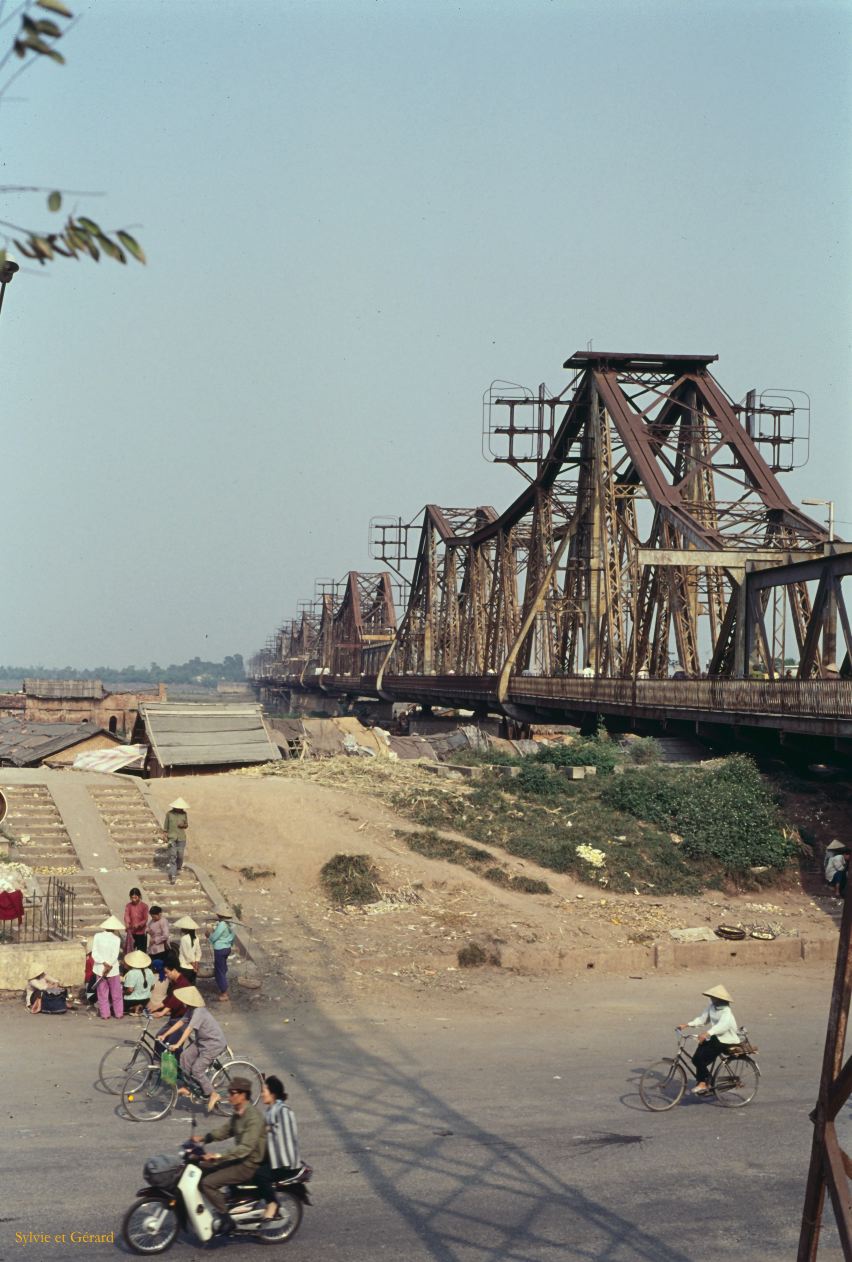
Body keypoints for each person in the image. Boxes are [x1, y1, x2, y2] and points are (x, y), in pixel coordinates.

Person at [191, 1077, 266, 1234]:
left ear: (243, 1095)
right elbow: (226, 1130)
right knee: (201, 1167)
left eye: (233, 1093)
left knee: (208, 1183)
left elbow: (245, 1148)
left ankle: (226, 1218)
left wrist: (218, 1156)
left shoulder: (253, 1118)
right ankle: (220, 1203)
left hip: (248, 1164)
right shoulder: (239, 1112)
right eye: (229, 1092)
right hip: (239, 1159)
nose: (230, 1096)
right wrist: (205, 1138)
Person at [169, 985, 228, 1111]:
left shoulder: (199, 1011)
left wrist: (178, 1044)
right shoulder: (191, 1010)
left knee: (197, 1069)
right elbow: (181, 1022)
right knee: (185, 1056)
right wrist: (164, 1035)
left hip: (213, 1043)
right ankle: (187, 1086)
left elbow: (189, 1029)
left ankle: (213, 1094)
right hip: (202, 1041)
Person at [678, 983, 741, 1095]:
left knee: (701, 1059)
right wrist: (687, 1025)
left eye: (713, 997)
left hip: (727, 1040)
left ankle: (703, 1082)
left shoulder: (726, 1011)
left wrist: (707, 1033)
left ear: (719, 998)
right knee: (696, 1058)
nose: (711, 999)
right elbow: (702, 1020)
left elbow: (723, 1026)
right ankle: (707, 1081)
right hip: (716, 1037)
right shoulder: (711, 1007)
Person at [255, 1075, 301, 1224]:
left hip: (284, 1163)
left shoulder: (282, 1110)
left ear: (273, 1093)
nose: (262, 1094)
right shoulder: (271, 1110)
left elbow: (283, 1137)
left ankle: (272, 1203)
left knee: (260, 1174)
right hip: (274, 1158)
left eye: (264, 1091)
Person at [148, 952, 192, 1046]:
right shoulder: (175, 982)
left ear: (174, 970)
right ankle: (157, 1060)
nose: (166, 975)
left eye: (167, 972)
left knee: (172, 1044)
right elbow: (168, 1000)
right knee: (159, 1037)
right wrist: (154, 1008)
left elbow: (174, 1002)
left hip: (183, 1019)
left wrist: (161, 1013)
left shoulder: (182, 983)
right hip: (174, 1018)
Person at [91, 915, 125, 1020]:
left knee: (102, 993)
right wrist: (109, 964)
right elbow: (114, 955)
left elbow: (94, 953)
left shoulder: (97, 936)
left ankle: (105, 1014)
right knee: (116, 992)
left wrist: (103, 963)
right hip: (113, 969)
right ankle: (119, 1013)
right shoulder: (116, 939)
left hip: (99, 968)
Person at [208, 908, 236, 1003]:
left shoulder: (222, 925)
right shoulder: (230, 925)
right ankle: (224, 984)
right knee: (223, 967)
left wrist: (209, 935)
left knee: (219, 970)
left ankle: (224, 993)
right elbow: (232, 937)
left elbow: (215, 937)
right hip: (227, 948)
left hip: (220, 949)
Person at [163, 798, 190, 884]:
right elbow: (165, 826)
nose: (179, 808)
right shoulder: (169, 814)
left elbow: (186, 825)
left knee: (180, 855)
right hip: (172, 838)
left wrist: (183, 825)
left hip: (181, 838)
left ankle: (178, 868)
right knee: (173, 856)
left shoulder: (184, 814)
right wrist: (164, 835)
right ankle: (173, 876)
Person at [175, 916, 202, 984]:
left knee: (185, 985)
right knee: (192, 985)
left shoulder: (184, 938)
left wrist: (193, 964)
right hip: (193, 967)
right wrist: (196, 963)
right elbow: (198, 952)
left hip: (185, 965)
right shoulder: (196, 938)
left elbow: (186, 954)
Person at [147, 905, 171, 976]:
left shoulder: (163, 921)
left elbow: (166, 935)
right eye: (152, 917)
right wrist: (148, 930)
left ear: (159, 914)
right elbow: (148, 927)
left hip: (161, 948)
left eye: (154, 916)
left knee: (160, 966)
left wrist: (155, 940)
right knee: (154, 966)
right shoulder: (152, 921)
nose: (153, 918)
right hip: (152, 948)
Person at [124, 887, 149, 953]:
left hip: (141, 932)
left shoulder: (144, 906)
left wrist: (138, 925)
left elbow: (145, 919)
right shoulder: (128, 906)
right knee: (130, 952)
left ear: (139, 896)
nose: (134, 900)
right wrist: (127, 923)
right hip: (131, 932)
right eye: (132, 898)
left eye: (135, 898)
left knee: (141, 952)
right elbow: (126, 915)